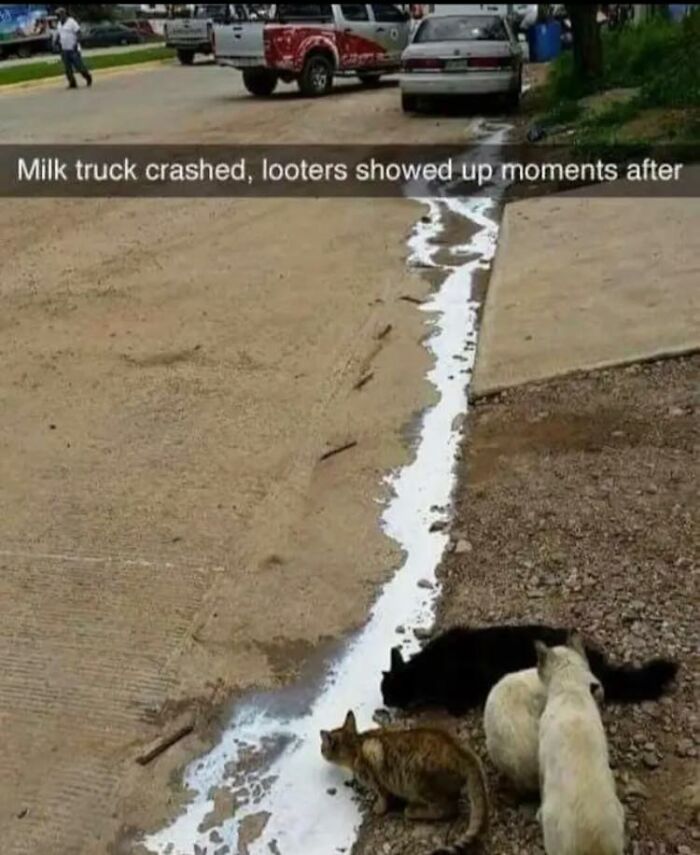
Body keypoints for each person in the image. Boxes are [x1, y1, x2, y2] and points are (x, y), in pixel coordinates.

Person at [54, 7, 92, 90]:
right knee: (67, 69)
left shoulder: (71, 22)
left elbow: (78, 33)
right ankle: (72, 83)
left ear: (64, 14)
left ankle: (87, 76)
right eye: (57, 15)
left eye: (60, 15)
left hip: (73, 49)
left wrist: (76, 43)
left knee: (79, 67)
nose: (58, 17)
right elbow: (59, 34)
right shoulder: (59, 24)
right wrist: (56, 42)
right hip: (64, 49)